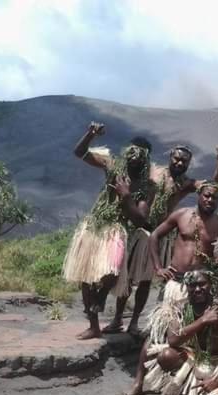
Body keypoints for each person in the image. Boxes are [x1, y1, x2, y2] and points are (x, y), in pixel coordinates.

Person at [103, 146, 218, 336]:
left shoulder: (186, 183)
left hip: (160, 231)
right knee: (128, 277)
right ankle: (117, 318)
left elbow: (211, 188)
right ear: (170, 157)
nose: (179, 163)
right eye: (177, 159)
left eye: (184, 161)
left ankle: (135, 322)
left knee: (145, 281)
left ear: (188, 164)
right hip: (140, 229)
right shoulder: (153, 172)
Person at [121, 182, 218, 395]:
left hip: (201, 287)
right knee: (157, 333)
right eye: (207, 196)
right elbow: (154, 236)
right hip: (176, 284)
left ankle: (185, 382)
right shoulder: (182, 215)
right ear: (200, 195)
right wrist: (158, 268)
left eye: (214, 198)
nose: (210, 200)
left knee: (195, 333)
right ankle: (138, 382)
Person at [62, 122, 154, 340]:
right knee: (86, 274)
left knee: (112, 270)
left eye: (139, 155)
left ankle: (102, 295)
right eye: (131, 152)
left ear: (145, 159)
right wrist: (90, 134)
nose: (134, 157)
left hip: (117, 228)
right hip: (95, 224)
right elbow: (80, 152)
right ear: (126, 152)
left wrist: (126, 196)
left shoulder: (147, 186)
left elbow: (140, 218)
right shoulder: (112, 165)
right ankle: (93, 325)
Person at [141, 270, 218, 395]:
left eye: (202, 284)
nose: (197, 289)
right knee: (166, 355)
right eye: (192, 285)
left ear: (210, 284)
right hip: (193, 356)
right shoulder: (180, 307)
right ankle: (183, 387)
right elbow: (173, 340)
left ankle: (215, 385)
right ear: (186, 286)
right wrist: (202, 321)